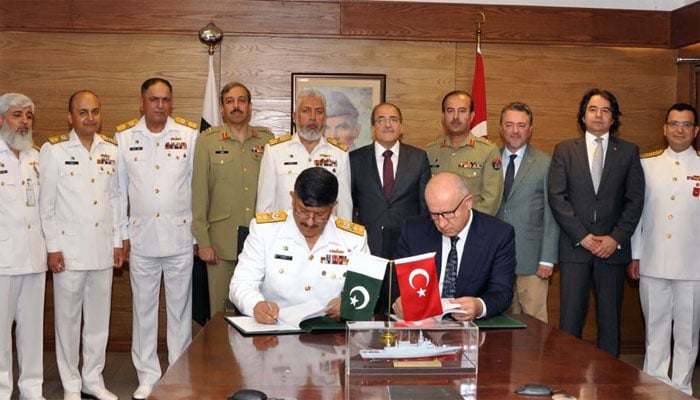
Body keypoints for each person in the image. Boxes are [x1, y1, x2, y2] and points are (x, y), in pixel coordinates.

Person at [115, 78, 198, 400]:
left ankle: (178, 374)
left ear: (171, 103)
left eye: (165, 100)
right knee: (144, 311)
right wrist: (122, 235)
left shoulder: (188, 135)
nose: (160, 106)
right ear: (142, 102)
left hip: (179, 236)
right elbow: (118, 193)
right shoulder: (124, 137)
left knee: (180, 312)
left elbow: (195, 188)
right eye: (154, 99)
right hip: (141, 239)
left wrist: (196, 234)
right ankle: (147, 376)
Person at [548, 88, 644, 357]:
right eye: (592, 109)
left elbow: (635, 200)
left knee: (610, 322)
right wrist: (582, 236)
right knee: (570, 320)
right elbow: (557, 197)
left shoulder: (628, 152)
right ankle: (567, 374)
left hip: (612, 250)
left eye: (605, 110)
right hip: (576, 248)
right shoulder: (565, 150)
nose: (599, 115)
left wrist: (615, 238)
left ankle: (610, 378)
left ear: (613, 118)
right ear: (583, 116)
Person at [39, 90, 123, 400]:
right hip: (69, 252)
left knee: (99, 322)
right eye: (83, 112)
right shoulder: (54, 150)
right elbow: (46, 205)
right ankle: (71, 384)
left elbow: (116, 200)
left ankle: (93, 379)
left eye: (95, 111)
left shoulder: (111, 149)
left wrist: (117, 242)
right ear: (70, 116)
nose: (90, 118)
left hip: (102, 249)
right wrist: (52, 247)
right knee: (68, 322)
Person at [230, 167, 369, 324]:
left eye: (319, 215)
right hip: (275, 327)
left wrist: (349, 306)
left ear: (333, 206)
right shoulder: (265, 230)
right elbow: (241, 283)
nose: (309, 222)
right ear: (292, 198)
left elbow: (365, 290)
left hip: (329, 331)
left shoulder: (353, 238)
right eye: (302, 211)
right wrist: (256, 305)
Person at [628, 103, 700, 395]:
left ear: (695, 131)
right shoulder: (647, 165)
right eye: (674, 124)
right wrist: (635, 255)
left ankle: (682, 387)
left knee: (687, 333)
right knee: (655, 329)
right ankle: (654, 386)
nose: (680, 130)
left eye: (686, 125)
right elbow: (637, 215)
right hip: (653, 260)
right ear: (664, 129)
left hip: (693, 265)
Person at [191, 81, 274, 318]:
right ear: (222, 108)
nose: (236, 106)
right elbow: (199, 193)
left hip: (260, 240)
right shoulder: (207, 141)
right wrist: (203, 241)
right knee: (221, 311)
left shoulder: (267, 140)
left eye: (241, 101)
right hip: (221, 243)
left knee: (258, 309)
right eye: (230, 101)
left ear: (250, 107)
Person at [392, 172, 516, 321]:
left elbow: (502, 292)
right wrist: (398, 300)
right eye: (434, 215)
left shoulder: (498, 235)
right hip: (422, 324)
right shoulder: (413, 229)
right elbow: (395, 281)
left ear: (468, 202)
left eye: (449, 214)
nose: (442, 224)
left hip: (471, 327)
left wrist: (479, 306)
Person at [349, 102, 430, 313]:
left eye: (393, 119)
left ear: (401, 127)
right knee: (367, 310)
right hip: (368, 247)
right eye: (381, 120)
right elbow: (349, 204)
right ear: (373, 128)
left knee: (407, 310)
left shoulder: (418, 157)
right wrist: (357, 236)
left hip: (407, 247)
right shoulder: (354, 159)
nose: (387, 125)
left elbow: (425, 206)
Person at [0, 93, 47, 400]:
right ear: (1, 120)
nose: (24, 122)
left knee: (32, 330)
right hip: (3, 258)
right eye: (17, 115)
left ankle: (32, 389)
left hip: (34, 255)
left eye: (28, 116)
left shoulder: (37, 156)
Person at [495, 102, 558, 323]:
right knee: (500, 323)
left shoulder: (545, 163)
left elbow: (552, 214)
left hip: (531, 261)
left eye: (521, 125)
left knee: (535, 324)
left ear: (530, 129)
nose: (515, 130)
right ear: (501, 128)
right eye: (509, 124)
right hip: (496, 260)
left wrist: (547, 258)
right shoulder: (489, 159)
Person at [256, 88, 352, 219]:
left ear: (325, 118)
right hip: (284, 230)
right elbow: (264, 207)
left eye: (319, 112)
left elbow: (344, 208)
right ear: (294, 117)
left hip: (325, 230)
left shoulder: (339, 154)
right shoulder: (275, 151)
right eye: (306, 111)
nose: (313, 117)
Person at [426, 90, 503, 216]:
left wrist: (465, 223)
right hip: (437, 224)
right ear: (443, 116)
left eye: (462, 111)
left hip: (473, 225)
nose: (456, 117)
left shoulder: (488, 151)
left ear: (472, 116)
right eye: (450, 111)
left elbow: (490, 202)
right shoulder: (430, 151)